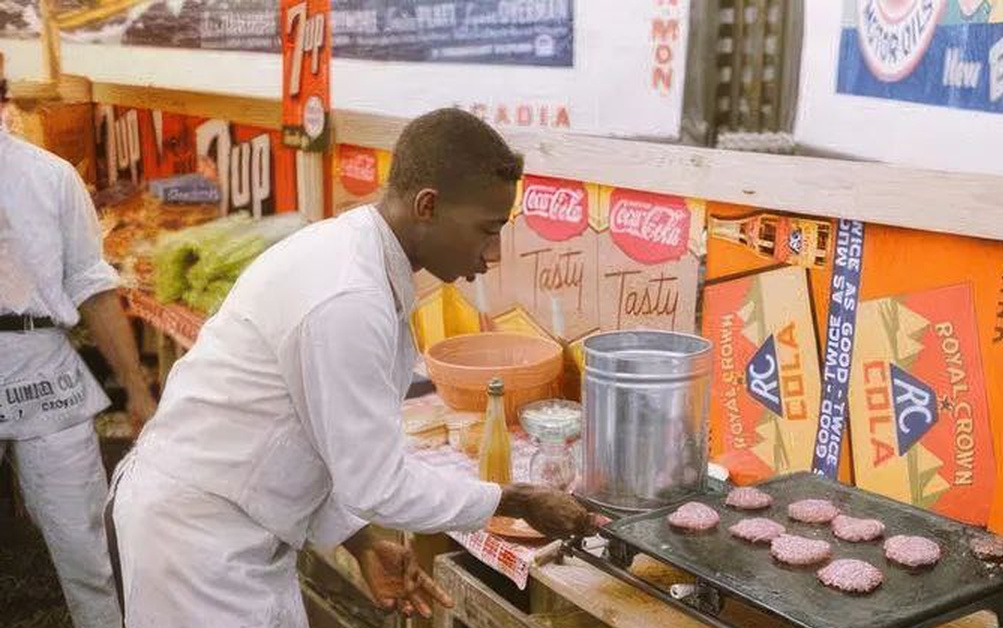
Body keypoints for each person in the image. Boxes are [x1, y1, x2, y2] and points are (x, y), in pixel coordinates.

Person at [109, 108, 594, 627]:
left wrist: (359, 539)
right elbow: (377, 485)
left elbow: (315, 436)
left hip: (230, 526)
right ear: (428, 205)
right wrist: (514, 499)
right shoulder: (348, 294)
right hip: (195, 542)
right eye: (487, 229)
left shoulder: (361, 257)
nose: (493, 253)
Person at [0, 58, 157, 628]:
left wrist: (137, 390)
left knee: (86, 549)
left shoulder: (50, 177)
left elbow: (93, 288)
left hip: (43, 366)